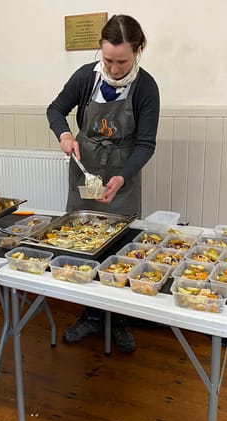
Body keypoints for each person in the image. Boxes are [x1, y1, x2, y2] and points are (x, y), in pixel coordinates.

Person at [46, 14, 160, 353]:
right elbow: (55, 110)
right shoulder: (86, 77)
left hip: (122, 175)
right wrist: (65, 133)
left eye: (122, 61)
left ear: (138, 51)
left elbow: (146, 144)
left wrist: (122, 177)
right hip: (85, 172)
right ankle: (91, 316)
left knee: (118, 248)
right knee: (81, 244)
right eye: (108, 59)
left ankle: (118, 319)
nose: (113, 67)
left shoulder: (146, 87)